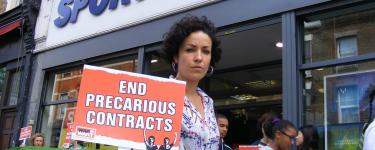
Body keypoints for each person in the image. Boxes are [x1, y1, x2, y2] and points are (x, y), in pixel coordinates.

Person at [162, 15, 222, 149]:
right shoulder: (162, 98)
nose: (199, 58)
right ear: (176, 56)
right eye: (190, 49)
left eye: (206, 51)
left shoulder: (207, 101)